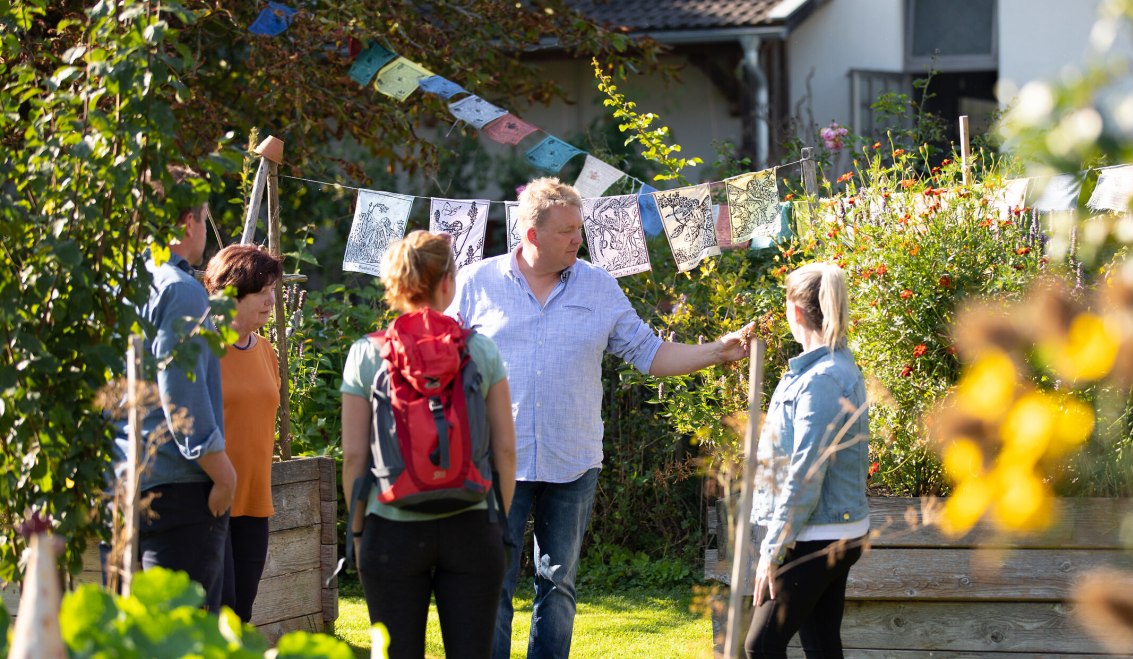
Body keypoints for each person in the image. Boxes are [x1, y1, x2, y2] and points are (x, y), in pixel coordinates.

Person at [448, 177, 753, 659]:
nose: (579, 239)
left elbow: (650, 353)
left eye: (580, 228)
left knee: (559, 583)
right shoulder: (475, 283)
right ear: (532, 234)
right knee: (491, 581)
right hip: (494, 461)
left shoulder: (599, 285)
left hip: (573, 459)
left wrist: (717, 351)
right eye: (567, 230)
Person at [341, 230, 517, 659]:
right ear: (447, 282)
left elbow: (354, 457)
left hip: (391, 527)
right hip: (471, 523)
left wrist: (360, 531)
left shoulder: (367, 353)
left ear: (396, 284)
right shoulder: (480, 350)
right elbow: (506, 451)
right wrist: (496, 519)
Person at [111, 166, 236, 609]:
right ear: (187, 223)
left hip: (123, 482)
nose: (204, 230)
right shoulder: (181, 291)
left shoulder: (117, 287)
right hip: (180, 490)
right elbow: (181, 392)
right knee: (184, 634)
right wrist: (223, 473)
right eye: (204, 217)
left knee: (133, 633)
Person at [745, 262, 871, 659]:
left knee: (761, 646)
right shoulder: (824, 368)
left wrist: (772, 551)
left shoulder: (822, 380)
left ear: (796, 312)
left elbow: (806, 472)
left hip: (815, 534)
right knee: (821, 645)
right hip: (830, 531)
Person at [203, 245, 284, 623]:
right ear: (232, 294)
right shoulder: (203, 350)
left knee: (241, 613)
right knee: (217, 612)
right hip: (211, 501)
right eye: (262, 292)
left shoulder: (266, 351)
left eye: (273, 290)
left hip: (254, 503)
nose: (271, 301)